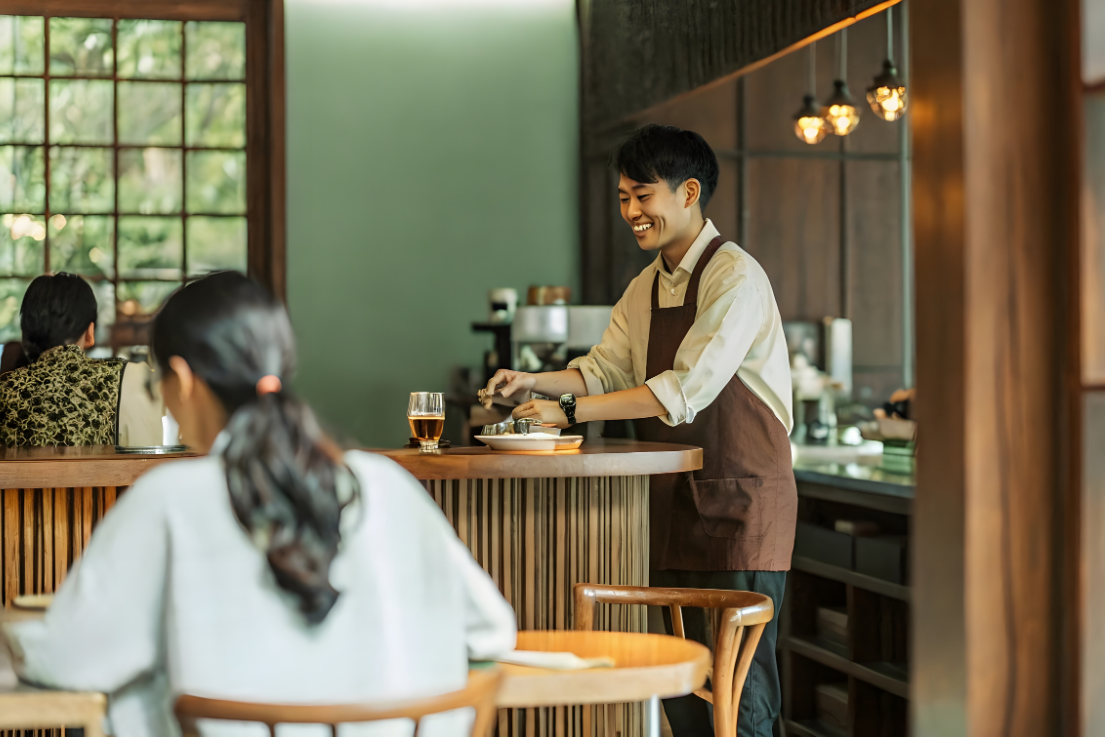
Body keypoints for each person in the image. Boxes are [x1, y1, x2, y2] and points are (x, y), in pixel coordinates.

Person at [4, 272, 517, 736]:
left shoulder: (168, 499)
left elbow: (67, 658)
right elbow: (492, 630)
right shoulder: (384, 484)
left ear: (183, 381)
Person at [485, 124, 795, 737]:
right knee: (682, 691)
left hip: (741, 512)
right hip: (673, 510)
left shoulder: (735, 277)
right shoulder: (645, 286)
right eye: (624, 197)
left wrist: (569, 412)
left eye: (643, 195)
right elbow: (602, 371)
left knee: (741, 697)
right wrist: (532, 383)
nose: (631, 211)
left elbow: (681, 391)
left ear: (688, 193)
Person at [0, 273, 163, 447]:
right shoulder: (130, 378)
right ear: (90, 333)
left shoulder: (5, 390)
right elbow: (148, 455)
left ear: (25, 334)